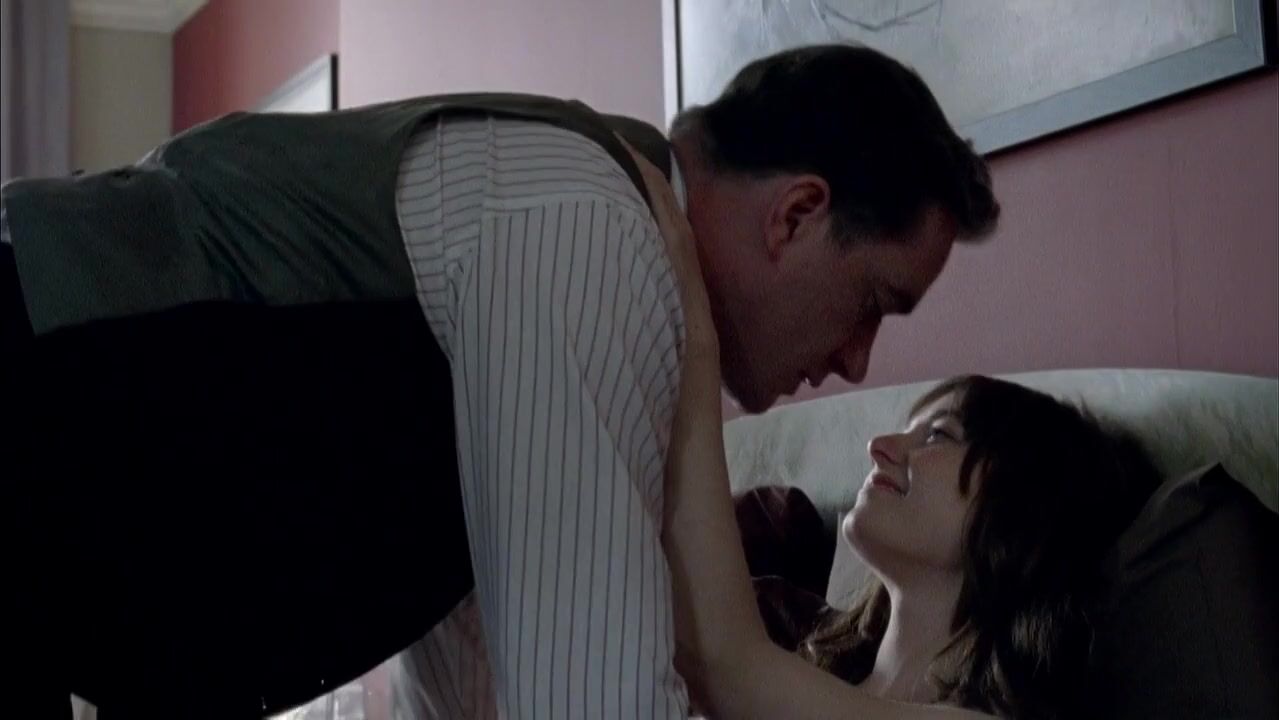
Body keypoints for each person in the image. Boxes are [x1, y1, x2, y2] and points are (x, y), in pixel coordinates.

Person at [4, 44, 996, 718]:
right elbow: (589, 701)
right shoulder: (595, 232)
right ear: (796, 215)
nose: (858, 361)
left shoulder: (584, 248)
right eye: (874, 302)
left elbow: (471, 655)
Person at [631, 148, 1158, 718]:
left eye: (938, 436)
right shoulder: (804, 658)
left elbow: (725, 665)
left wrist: (693, 322)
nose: (880, 447)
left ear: (1026, 505)